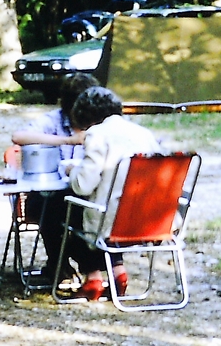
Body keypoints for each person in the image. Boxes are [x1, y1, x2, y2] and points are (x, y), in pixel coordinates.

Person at [64, 86, 163, 300]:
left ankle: (93, 278)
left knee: (64, 210)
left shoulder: (97, 135)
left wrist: (72, 171)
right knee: (105, 208)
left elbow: (83, 185)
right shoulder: (144, 134)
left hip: (112, 221)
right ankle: (118, 272)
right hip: (149, 219)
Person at [11, 72, 100, 279]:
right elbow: (18, 136)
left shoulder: (99, 125)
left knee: (88, 211)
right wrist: (67, 140)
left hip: (84, 192)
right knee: (51, 207)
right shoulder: (53, 121)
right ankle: (66, 265)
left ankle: (65, 264)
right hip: (49, 194)